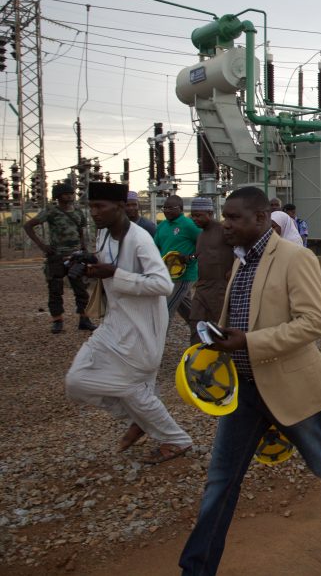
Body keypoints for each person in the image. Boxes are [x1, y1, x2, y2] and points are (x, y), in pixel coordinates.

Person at [179, 187, 321, 573]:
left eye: (235, 217)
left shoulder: (295, 257)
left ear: (261, 219)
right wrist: (220, 339)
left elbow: (313, 323)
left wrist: (249, 342)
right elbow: (238, 314)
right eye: (225, 215)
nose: (226, 223)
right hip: (245, 390)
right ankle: (196, 568)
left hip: (290, 386)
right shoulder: (241, 260)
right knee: (220, 483)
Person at [64, 181, 192, 465]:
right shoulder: (104, 235)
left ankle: (176, 438)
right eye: (91, 206)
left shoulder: (140, 239)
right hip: (115, 322)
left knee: (131, 388)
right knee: (77, 381)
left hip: (142, 328)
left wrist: (115, 273)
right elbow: (106, 267)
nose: (94, 212)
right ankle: (144, 419)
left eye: (100, 206)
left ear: (121, 207)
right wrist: (87, 265)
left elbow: (162, 284)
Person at [23, 181, 95, 334]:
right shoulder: (51, 211)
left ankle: (84, 319)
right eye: (66, 194)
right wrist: (43, 246)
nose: (70, 196)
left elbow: (81, 231)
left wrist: (83, 248)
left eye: (71, 193)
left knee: (81, 288)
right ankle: (57, 321)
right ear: (58, 196)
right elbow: (28, 226)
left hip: (75, 256)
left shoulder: (78, 212)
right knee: (55, 289)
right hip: (56, 256)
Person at [189, 197, 235, 343]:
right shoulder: (201, 235)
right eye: (193, 215)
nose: (195, 219)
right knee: (195, 322)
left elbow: (240, 250)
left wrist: (233, 270)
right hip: (202, 287)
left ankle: (221, 359)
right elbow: (201, 255)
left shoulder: (223, 230)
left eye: (198, 215)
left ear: (209, 213)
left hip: (219, 288)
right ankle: (197, 358)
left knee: (219, 326)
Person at [154, 195, 200, 327]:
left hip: (184, 275)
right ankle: (203, 332)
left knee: (165, 310)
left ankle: (157, 343)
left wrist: (190, 257)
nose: (166, 211)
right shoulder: (162, 226)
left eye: (170, 208)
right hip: (166, 274)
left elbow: (204, 244)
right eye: (165, 208)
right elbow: (155, 247)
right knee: (186, 309)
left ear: (180, 209)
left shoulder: (189, 225)